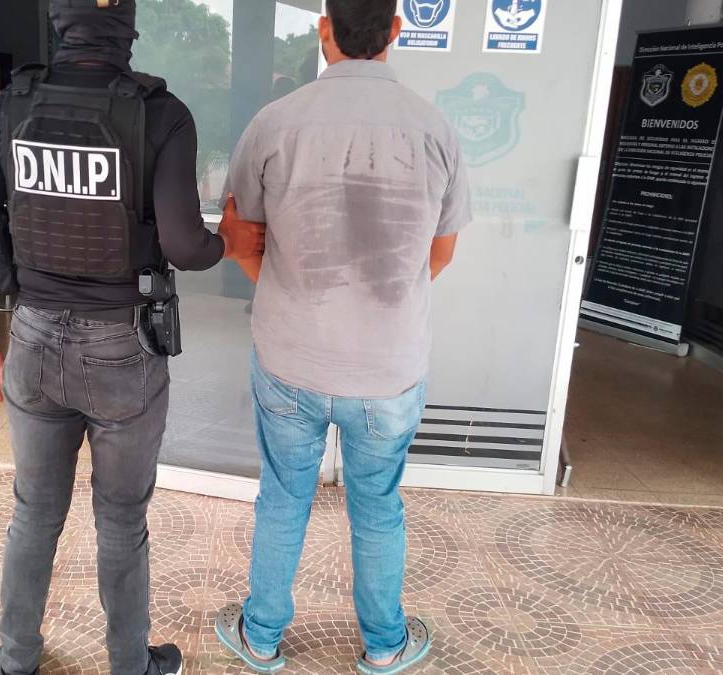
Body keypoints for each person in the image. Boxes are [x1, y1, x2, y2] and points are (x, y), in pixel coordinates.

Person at [0, 2, 264, 674]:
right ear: (128, 26)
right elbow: (184, 245)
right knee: (120, 519)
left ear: (57, 24)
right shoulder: (162, 113)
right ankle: (130, 664)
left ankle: (15, 660)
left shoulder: (8, 106)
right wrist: (231, 242)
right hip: (123, 346)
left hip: (32, 338)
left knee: (34, 513)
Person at [214, 1, 471, 673]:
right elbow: (440, 254)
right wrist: (381, 303)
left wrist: (288, 288)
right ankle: (385, 645)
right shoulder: (435, 128)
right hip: (389, 367)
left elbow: (240, 240)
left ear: (323, 30)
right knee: (378, 504)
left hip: (289, 356)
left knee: (283, 495)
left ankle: (261, 636)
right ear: (396, 29)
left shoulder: (274, 122)